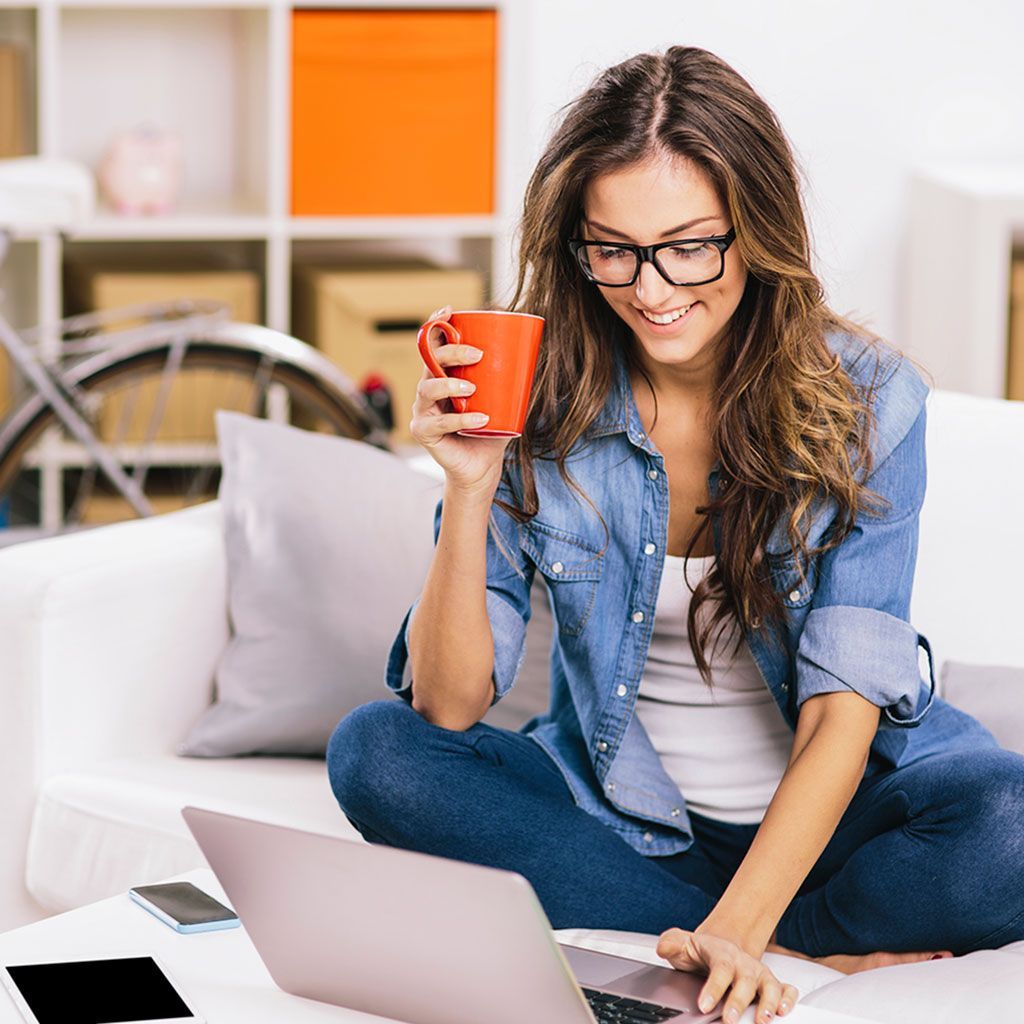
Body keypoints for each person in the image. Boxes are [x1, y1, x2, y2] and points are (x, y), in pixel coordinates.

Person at [327, 46, 1024, 1024]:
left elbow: (841, 710)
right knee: (375, 751)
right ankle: (812, 941)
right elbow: (447, 705)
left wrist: (742, 928)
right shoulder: (540, 393)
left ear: (756, 229)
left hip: (838, 820)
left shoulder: (870, 400)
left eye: (688, 245)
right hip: (629, 825)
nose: (649, 288)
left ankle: (754, 929)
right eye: (610, 248)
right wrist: (472, 488)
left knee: (1010, 818)